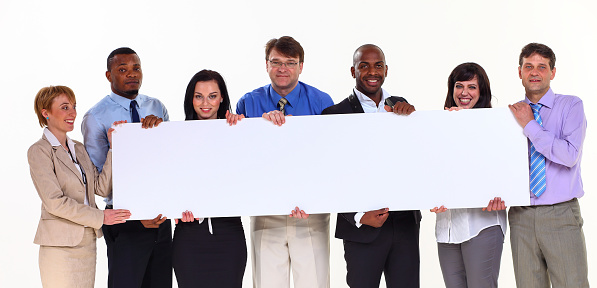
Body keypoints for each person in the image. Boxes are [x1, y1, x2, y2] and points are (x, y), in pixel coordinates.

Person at [236, 36, 334, 288]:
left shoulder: (322, 102)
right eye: (276, 62)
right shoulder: (249, 102)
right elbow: (240, 156)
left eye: (290, 63)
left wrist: (315, 197)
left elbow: (330, 154)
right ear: (266, 64)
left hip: (310, 211)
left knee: (314, 281)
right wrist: (262, 128)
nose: (282, 69)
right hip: (266, 211)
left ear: (301, 66)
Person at [321, 44, 421, 288]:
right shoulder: (334, 115)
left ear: (386, 69)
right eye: (363, 66)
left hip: (404, 225)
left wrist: (414, 121)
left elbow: (415, 159)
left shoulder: (402, 106)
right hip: (362, 229)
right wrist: (357, 216)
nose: (371, 72)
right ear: (353, 70)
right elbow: (329, 175)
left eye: (377, 65)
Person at [81, 47, 172, 288]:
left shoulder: (157, 107)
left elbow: (170, 161)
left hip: (160, 216)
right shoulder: (96, 117)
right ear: (109, 75)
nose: (132, 74)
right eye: (122, 70)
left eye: (136, 68)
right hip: (125, 219)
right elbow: (101, 184)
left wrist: (162, 133)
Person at [28, 85, 131, 288]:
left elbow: (101, 188)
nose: (73, 113)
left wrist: (113, 147)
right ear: (45, 113)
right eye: (65, 107)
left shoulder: (79, 148)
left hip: (86, 242)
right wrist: (101, 217)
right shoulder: (39, 151)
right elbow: (54, 203)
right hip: (59, 246)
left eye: (74, 107)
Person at [508, 43, 589, 287]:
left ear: (552, 72)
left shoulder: (571, 106)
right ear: (519, 71)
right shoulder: (508, 115)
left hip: (561, 215)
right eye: (528, 66)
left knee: (571, 283)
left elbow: (569, 155)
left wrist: (530, 125)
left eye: (542, 67)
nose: (534, 72)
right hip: (521, 216)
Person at [430, 62, 507, 288]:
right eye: (459, 86)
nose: (464, 93)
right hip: (447, 228)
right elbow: (432, 170)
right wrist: (430, 198)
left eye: (472, 87)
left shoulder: (495, 127)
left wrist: (464, 126)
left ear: (482, 92)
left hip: (482, 224)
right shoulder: (438, 127)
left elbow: (497, 169)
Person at [172, 69, 247, 288]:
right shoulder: (174, 136)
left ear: (222, 97)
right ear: (191, 99)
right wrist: (174, 207)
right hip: (189, 236)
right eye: (199, 96)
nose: (206, 103)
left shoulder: (237, 132)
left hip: (229, 235)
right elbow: (168, 183)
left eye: (212, 96)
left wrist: (241, 131)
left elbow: (250, 174)